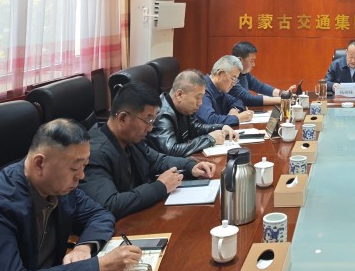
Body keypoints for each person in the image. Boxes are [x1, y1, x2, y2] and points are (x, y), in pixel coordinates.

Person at [0, 119, 141, 271]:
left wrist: (83, 247)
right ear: (39, 164)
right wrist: (100, 267)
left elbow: (99, 215)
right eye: (75, 168)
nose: (81, 176)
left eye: (84, 166)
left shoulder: (58, 186)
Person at [80, 81, 216, 219]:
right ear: (123, 118)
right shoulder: (93, 153)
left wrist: (190, 166)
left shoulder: (131, 139)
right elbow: (110, 204)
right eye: (148, 121)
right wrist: (159, 187)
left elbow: (157, 160)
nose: (150, 128)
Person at [148, 69, 238, 157]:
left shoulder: (183, 108)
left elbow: (195, 128)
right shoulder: (162, 115)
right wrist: (210, 139)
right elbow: (171, 150)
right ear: (179, 95)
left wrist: (221, 127)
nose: (200, 103)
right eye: (197, 98)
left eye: (202, 98)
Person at [229, 41, 296, 107]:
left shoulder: (244, 73)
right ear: (239, 60)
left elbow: (259, 86)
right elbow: (249, 99)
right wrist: (283, 100)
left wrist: (282, 93)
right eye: (251, 61)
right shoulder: (230, 77)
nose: (254, 64)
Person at [196, 55, 255, 126]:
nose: (234, 84)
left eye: (236, 80)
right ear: (219, 74)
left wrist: (234, 109)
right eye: (233, 78)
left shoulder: (219, 89)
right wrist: (238, 118)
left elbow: (238, 101)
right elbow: (209, 120)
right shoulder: (203, 89)